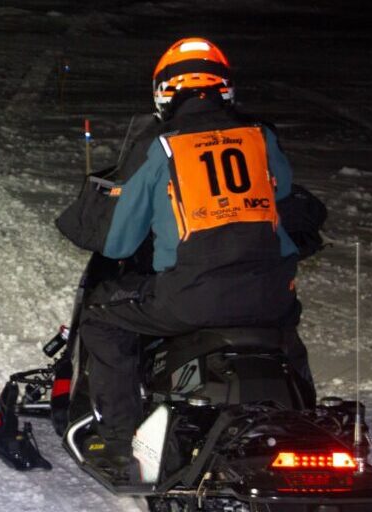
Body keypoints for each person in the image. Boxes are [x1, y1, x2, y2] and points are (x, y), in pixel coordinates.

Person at [55, 38, 320, 470]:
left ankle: (121, 440)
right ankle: (304, 420)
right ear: (225, 88)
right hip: (271, 295)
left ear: (164, 92)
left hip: (192, 296)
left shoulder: (160, 143)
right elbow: (284, 198)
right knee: (286, 331)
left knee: (102, 317)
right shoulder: (261, 135)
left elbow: (120, 242)